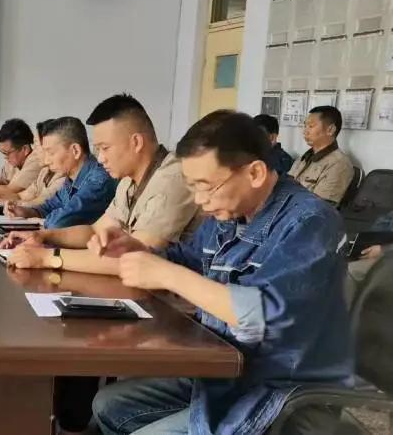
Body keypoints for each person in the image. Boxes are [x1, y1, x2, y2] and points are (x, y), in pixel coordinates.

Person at [92, 110, 352, 435]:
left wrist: (166, 275)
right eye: (192, 188)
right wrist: (136, 249)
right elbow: (188, 259)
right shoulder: (229, 214)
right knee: (109, 406)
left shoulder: (310, 222)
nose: (201, 201)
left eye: (207, 187)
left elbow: (264, 316)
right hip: (227, 371)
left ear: (255, 172)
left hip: (279, 391)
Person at [0, 94, 200, 435]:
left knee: (75, 334)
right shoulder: (130, 180)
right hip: (141, 298)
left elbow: (137, 259)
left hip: (176, 314)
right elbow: (97, 230)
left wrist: (49, 258)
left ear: (136, 142)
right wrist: (44, 237)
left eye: (105, 148)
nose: (100, 157)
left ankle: (73, 423)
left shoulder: (172, 179)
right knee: (65, 326)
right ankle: (69, 422)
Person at [0, 117, 116, 229]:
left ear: (75, 151)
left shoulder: (99, 181)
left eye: (51, 153)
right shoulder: (70, 179)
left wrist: (41, 220)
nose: (46, 161)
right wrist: (26, 212)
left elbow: (59, 222)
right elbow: (49, 207)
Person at [0, 119, 65, 212]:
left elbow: (37, 204)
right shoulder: (44, 172)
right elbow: (20, 196)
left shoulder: (63, 178)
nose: (34, 151)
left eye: (37, 146)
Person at [288, 105, 355, 205]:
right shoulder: (304, 158)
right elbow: (285, 187)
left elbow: (319, 207)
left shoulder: (339, 164)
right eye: (305, 126)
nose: (305, 132)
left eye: (311, 126)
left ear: (330, 130)